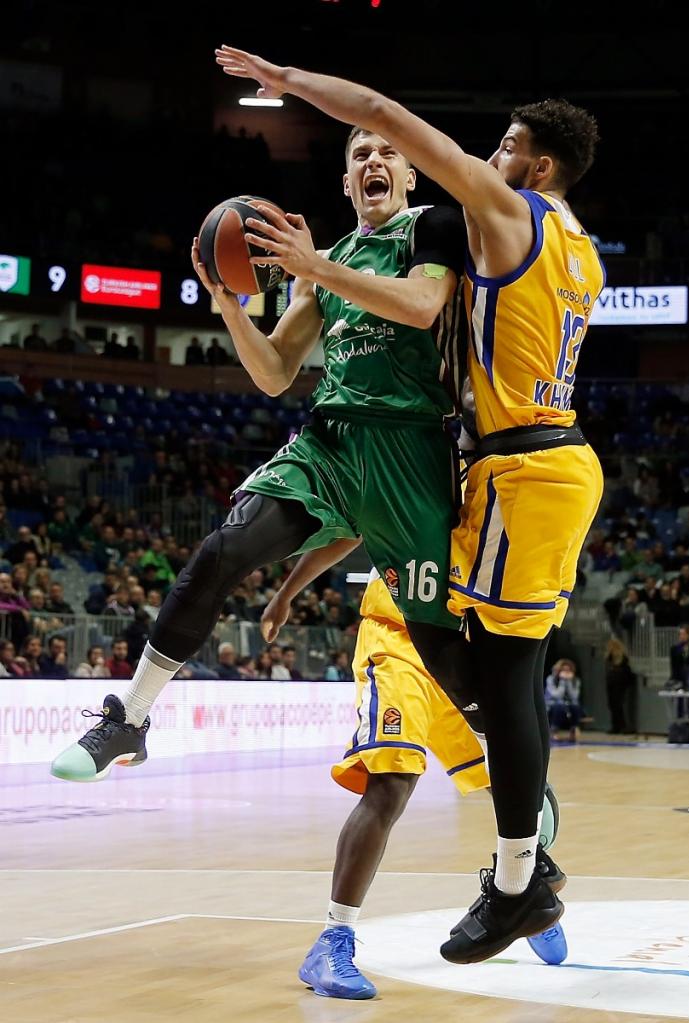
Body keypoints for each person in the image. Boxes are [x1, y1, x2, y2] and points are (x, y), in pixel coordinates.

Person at [215, 46, 604, 960]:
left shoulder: (511, 213)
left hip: (524, 468)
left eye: (504, 145)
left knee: (499, 683)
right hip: (524, 471)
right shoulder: (578, 248)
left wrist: (293, 85)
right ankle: (525, 871)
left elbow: (387, 115)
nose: (487, 156)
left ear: (535, 165)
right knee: (482, 679)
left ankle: (518, 881)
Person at [51, 122, 469, 796]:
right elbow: (274, 372)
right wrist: (228, 306)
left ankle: (517, 784)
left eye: (387, 152)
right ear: (344, 180)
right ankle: (129, 717)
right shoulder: (321, 266)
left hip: (411, 449)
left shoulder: (430, 229)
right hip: (330, 444)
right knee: (223, 550)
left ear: (410, 173)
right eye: (359, 153)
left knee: (443, 650)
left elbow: (423, 307)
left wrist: (314, 267)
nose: (374, 161)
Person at [260, 541, 567, 998]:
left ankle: (519, 892)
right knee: (391, 783)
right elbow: (346, 533)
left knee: (522, 784)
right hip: (398, 644)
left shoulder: (492, 486)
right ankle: (332, 939)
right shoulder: (404, 475)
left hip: (464, 651)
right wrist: (286, 593)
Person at [544, 659, 583, 741]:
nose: (566, 672)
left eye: (568, 670)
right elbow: (556, 695)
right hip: (553, 705)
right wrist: (562, 681)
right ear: (558, 670)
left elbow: (574, 697)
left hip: (569, 705)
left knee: (576, 707)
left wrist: (568, 682)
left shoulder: (576, 680)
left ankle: (573, 732)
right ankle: (554, 732)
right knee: (559, 706)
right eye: (563, 670)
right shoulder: (550, 679)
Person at [605, 638, 635, 735]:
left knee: (618, 705)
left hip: (620, 684)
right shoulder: (610, 657)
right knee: (612, 705)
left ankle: (623, 726)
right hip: (612, 683)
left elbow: (626, 674)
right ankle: (616, 726)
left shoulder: (623, 660)